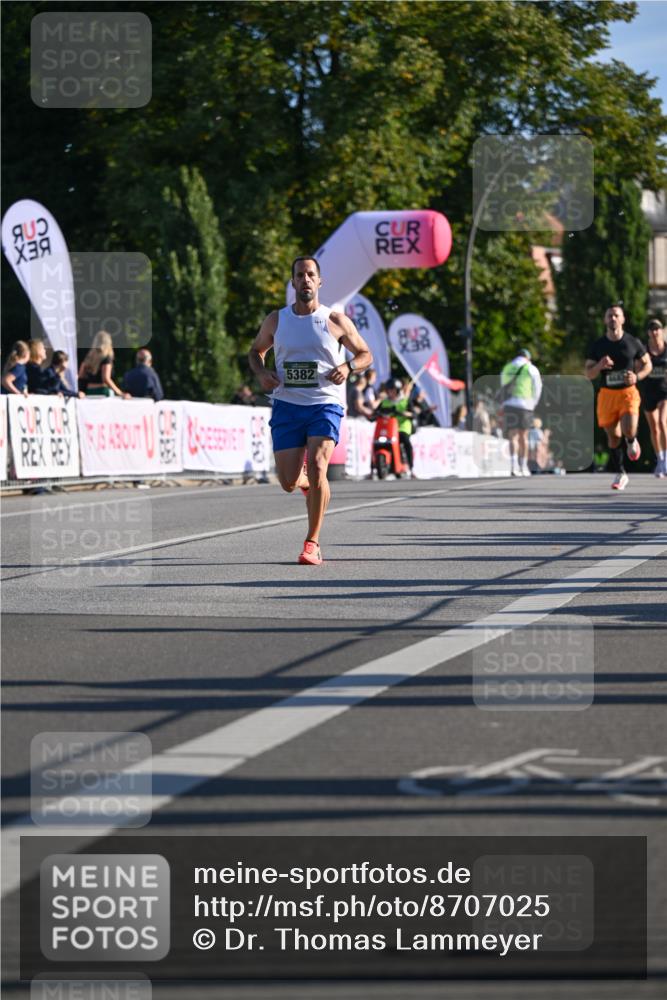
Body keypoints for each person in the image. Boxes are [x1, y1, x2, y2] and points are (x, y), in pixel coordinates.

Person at [249, 255, 372, 565]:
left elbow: (365, 354)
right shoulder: (277, 320)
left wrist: (348, 366)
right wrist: (263, 373)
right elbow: (255, 352)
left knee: (319, 466)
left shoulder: (336, 321)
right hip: (287, 405)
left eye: (311, 275)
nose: (305, 279)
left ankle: (312, 542)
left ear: (320, 281)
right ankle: (305, 484)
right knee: (289, 482)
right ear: (293, 282)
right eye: (300, 275)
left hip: (325, 404)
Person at [585, 304, 652, 490]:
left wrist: (636, 377)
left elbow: (648, 365)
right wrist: (599, 366)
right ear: (605, 320)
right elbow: (588, 373)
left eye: (616, 315)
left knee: (629, 428)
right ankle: (621, 473)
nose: (612, 318)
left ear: (623, 319)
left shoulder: (633, 342)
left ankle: (632, 440)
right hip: (607, 395)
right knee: (613, 438)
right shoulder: (598, 346)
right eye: (609, 316)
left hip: (628, 393)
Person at [500, 348, 542, 477]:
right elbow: (537, 387)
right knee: (524, 437)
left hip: (509, 404)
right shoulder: (531, 368)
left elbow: (503, 385)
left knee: (512, 436)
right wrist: (533, 403)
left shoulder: (507, 367)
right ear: (527, 358)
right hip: (525, 405)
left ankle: (513, 465)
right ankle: (523, 466)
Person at [641, 318, 667, 478]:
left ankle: (666, 461)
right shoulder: (644, 350)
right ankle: (660, 459)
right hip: (649, 392)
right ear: (648, 333)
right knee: (654, 428)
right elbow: (638, 366)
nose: (655, 332)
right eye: (652, 329)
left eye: (657, 328)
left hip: (665, 392)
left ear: (661, 330)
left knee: (662, 422)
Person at [378, 378, 415, 475]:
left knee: (405, 441)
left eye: (393, 390)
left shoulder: (405, 401)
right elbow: (377, 412)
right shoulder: (385, 402)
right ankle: (374, 467)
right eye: (389, 390)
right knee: (377, 443)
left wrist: (401, 413)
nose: (390, 392)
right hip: (388, 429)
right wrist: (373, 415)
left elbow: (413, 414)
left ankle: (411, 467)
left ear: (398, 390)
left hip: (402, 427)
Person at [78, 330, 130, 398]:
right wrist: (120, 393)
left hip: (89, 391)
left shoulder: (89, 357)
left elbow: (81, 376)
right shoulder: (106, 358)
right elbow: (106, 378)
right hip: (102, 391)